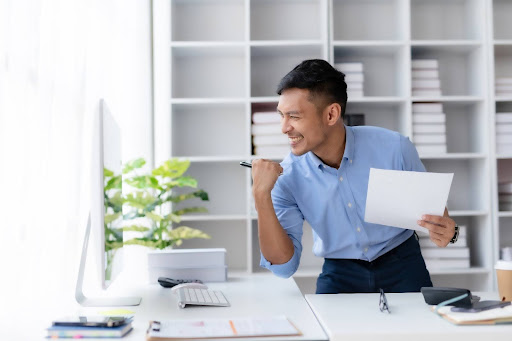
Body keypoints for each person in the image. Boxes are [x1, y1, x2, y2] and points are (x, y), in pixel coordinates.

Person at [251, 59, 457, 294]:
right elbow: (283, 268)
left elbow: (438, 218)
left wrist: (447, 232)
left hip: (403, 265)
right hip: (339, 275)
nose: (284, 127)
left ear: (331, 114)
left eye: (294, 116)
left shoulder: (394, 148)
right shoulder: (286, 176)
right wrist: (260, 195)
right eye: (282, 116)